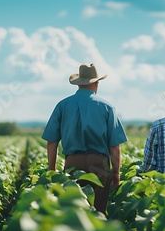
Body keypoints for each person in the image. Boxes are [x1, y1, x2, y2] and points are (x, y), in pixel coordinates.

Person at [41, 63, 127, 214]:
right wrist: (116, 173)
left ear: (79, 84)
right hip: (99, 164)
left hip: (73, 163)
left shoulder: (63, 105)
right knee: (98, 211)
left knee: (74, 211)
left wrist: (52, 171)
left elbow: (52, 142)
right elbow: (114, 146)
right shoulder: (107, 107)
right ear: (96, 83)